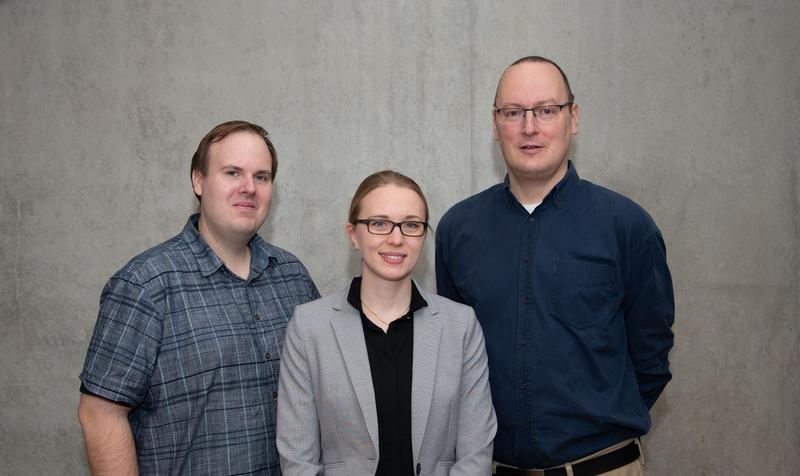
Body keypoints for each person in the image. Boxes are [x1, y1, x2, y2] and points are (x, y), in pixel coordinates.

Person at [435, 56, 675, 475]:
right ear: (495, 125)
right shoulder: (458, 229)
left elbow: (651, 356)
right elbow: (456, 355)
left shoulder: (627, 225)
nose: (530, 127)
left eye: (546, 110)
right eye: (513, 113)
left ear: (573, 117)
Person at [77, 120, 320, 475]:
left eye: (262, 177)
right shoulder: (146, 284)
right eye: (232, 172)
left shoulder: (292, 276)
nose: (248, 188)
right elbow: (100, 414)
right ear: (199, 180)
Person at [277, 170, 497, 475]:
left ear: (422, 236)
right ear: (353, 234)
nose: (396, 238)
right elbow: (298, 459)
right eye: (379, 223)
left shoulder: (461, 326)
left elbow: (476, 455)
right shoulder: (309, 327)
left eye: (411, 225)